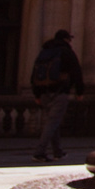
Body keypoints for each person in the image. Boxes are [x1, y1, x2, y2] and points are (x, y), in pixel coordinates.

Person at [28, 29, 82, 163]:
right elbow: (76, 73)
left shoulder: (44, 52)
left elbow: (34, 73)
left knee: (53, 122)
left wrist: (37, 94)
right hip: (60, 92)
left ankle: (58, 152)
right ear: (66, 39)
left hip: (44, 92)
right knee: (52, 122)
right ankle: (39, 152)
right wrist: (79, 92)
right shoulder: (66, 52)